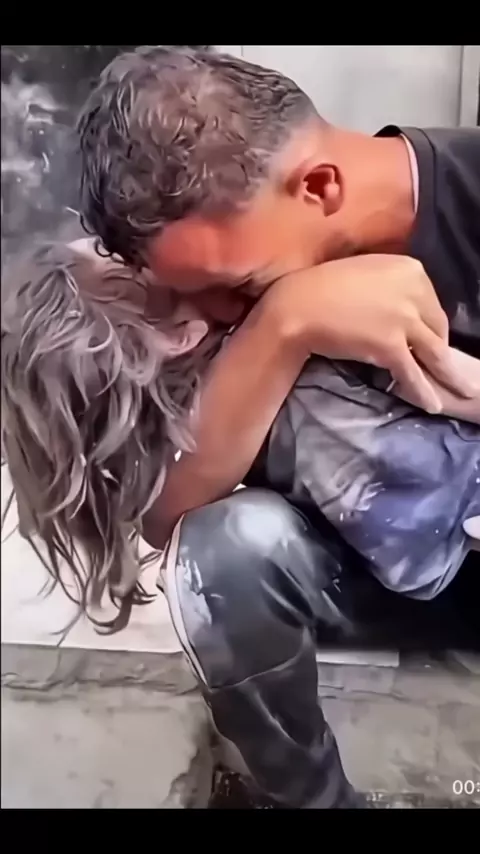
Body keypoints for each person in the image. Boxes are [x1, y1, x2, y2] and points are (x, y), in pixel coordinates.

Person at [4, 46, 480, 808]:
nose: (210, 321)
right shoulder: (253, 303)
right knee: (221, 552)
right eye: (183, 297)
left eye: (236, 290)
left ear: (319, 187)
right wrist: (286, 322)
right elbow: (163, 513)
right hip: (398, 570)